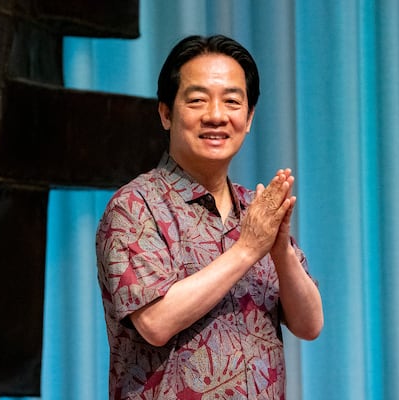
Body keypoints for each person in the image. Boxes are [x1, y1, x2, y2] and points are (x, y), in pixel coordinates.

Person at [95, 34, 323, 399]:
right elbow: (155, 322)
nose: (216, 115)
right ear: (166, 113)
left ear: (248, 119)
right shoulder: (135, 205)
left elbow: (310, 324)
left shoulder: (256, 210)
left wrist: (279, 250)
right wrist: (248, 249)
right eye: (198, 100)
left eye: (232, 101)